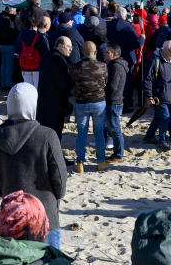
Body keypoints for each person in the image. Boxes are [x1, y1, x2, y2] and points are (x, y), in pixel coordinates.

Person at [0, 83, 67, 250]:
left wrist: (10, 195)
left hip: (12, 217)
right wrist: (53, 198)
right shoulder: (47, 135)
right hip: (45, 216)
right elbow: (59, 178)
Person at [70, 41, 109, 173]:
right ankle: (101, 162)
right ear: (95, 52)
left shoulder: (75, 67)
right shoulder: (102, 66)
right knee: (99, 132)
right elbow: (105, 83)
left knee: (82, 132)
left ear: (82, 53)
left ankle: (80, 162)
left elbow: (72, 82)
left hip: (81, 102)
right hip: (98, 101)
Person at [142, 40, 171, 151]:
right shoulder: (155, 61)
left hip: (168, 95)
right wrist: (149, 96)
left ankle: (149, 136)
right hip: (158, 96)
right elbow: (147, 79)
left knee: (158, 117)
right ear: (165, 49)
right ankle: (162, 141)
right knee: (165, 118)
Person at [35, 37, 72, 139]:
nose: (71, 49)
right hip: (55, 105)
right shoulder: (59, 60)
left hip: (43, 102)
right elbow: (63, 84)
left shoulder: (46, 55)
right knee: (55, 134)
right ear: (60, 46)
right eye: (68, 46)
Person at [103, 44, 128, 163]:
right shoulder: (115, 65)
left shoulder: (116, 67)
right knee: (113, 129)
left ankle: (118, 155)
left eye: (108, 52)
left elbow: (112, 86)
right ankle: (118, 153)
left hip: (114, 102)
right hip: (115, 101)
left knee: (115, 129)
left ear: (115, 54)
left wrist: (102, 89)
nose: (104, 53)